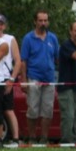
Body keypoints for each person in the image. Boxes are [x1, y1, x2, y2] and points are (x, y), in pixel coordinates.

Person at [20, 10, 60, 143]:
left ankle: (44, 138)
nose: (43, 23)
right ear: (35, 22)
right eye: (40, 20)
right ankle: (31, 137)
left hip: (49, 78)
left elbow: (57, 58)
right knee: (32, 109)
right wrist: (24, 80)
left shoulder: (52, 38)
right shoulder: (28, 38)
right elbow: (23, 61)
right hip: (34, 77)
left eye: (45, 20)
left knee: (47, 110)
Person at [0, 14, 23, 142]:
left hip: (6, 77)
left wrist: (12, 79)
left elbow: (17, 61)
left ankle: (16, 137)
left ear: (4, 26)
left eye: (1, 24)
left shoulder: (10, 39)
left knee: (8, 109)